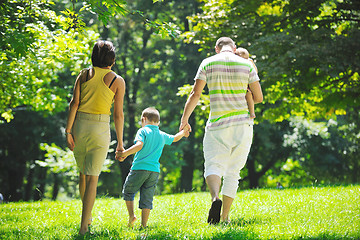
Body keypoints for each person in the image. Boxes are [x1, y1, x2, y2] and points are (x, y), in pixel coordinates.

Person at [179, 37, 263, 224]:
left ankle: (215, 197)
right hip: (243, 124)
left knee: (213, 165)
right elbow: (258, 97)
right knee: (233, 172)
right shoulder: (246, 65)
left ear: (217, 49)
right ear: (234, 48)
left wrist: (185, 119)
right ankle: (224, 218)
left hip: (217, 124)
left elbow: (195, 94)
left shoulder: (207, 63)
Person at [65, 40, 125, 235]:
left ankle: (87, 218)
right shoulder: (117, 80)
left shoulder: (83, 75)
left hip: (80, 126)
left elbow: (74, 103)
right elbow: (118, 115)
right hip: (100, 127)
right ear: (112, 60)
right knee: (92, 178)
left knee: (83, 173)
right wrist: (121, 143)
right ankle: (84, 227)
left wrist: (68, 131)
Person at [116, 107, 190, 228]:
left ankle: (131, 216)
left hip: (139, 168)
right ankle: (143, 225)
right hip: (154, 171)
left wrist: (124, 154)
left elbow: (139, 145)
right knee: (147, 197)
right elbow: (175, 138)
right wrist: (184, 131)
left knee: (128, 191)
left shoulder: (143, 131)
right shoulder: (161, 134)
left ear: (143, 119)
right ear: (158, 122)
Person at [235, 47, 258, 119]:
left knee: (249, 95)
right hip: (242, 84)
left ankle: (252, 112)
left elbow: (255, 72)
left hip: (246, 84)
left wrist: (252, 63)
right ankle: (251, 112)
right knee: (248, 96)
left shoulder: (249, 63)